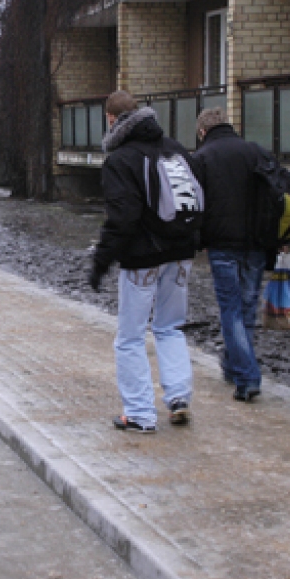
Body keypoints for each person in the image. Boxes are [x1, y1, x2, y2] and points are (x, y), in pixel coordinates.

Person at [88, 90, 199, 433]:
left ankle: (139, 413)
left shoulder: (121, 160)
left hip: (142, 259)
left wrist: (101, 261)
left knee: (130, 337)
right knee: (170, 327)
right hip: (181, 254)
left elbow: (123, 217)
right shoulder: (175, 150)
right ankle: (178, 396)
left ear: (111, 120)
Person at [190, 106, 267, 403]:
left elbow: (195, 204)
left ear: (202, 132)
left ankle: (248, 377)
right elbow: (280, 190)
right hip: (257, 245)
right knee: (246, 308)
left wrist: (198, 239)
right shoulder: (255, 152)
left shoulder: (202, 159)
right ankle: (233, 366)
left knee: (231, 310)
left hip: (222, 245)